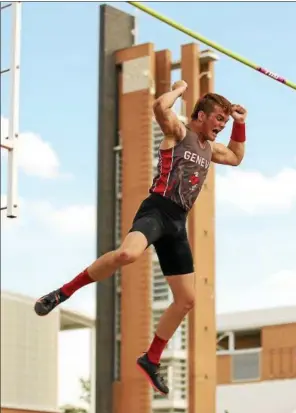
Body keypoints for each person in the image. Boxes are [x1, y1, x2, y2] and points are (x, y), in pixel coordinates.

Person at [34, 80, 247, 396]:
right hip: (157, 211)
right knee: (126, 255)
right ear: (201, 115)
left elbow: (235, 157)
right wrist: (180, 88)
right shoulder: (178, 132)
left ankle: (151, 358)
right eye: (219, 119)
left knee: (187, 300)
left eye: (225, 122)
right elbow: (160, 107)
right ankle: (62, 293)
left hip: (177, 223)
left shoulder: (209, 148)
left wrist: (240, 126)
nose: (221, 126)